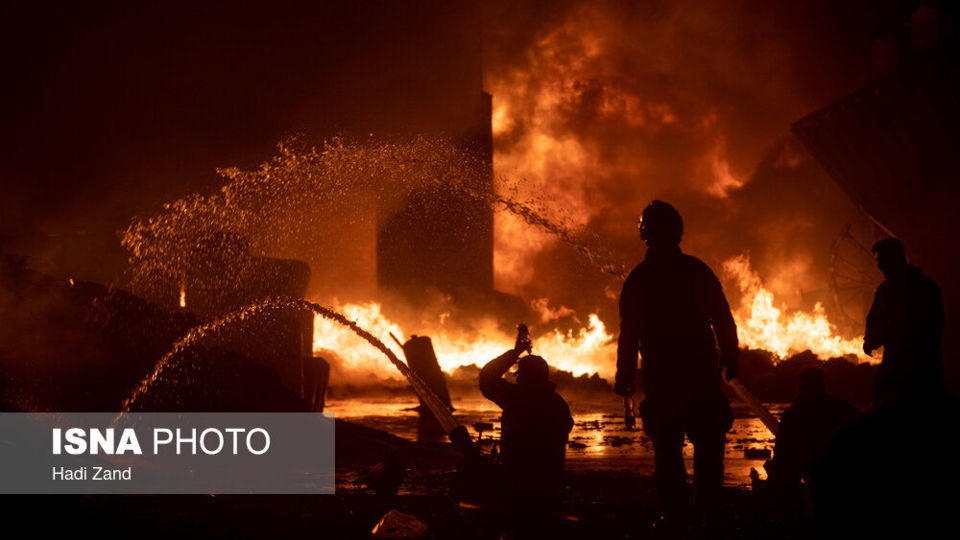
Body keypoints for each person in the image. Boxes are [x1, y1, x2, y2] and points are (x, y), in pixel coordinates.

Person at [615, 200, 739, 526]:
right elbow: (724, 320)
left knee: (668, 453)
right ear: (678, 232)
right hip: (701, 376)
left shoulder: (640, 279)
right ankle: (708, 513)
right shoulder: (697, 271)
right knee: (709, 450)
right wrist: (731, 358)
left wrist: (625, 375)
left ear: (644, 234)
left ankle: (675, 517)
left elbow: (629, 334)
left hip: (663, 378)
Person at [479, 325, 574, 505]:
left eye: (519, 374)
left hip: (516, 480)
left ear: (526, 377)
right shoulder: (558, 404)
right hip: (549, 483)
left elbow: (487, 378)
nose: (517, 377)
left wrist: (515, 353)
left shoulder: (516, 398)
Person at [863, 237, 943, 403]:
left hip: (908, 366)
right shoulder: (927, 285)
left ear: (894, 258)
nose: (879, 266)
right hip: (923, 365)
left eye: (882, 260)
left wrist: (873, 339)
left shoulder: (893, 290)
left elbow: (895, 324)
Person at [764, 368, 858, 503]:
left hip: (815, 466)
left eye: (803, 387)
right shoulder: (843, 408)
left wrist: (775, 472)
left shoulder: (794, 414)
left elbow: (782, 451)